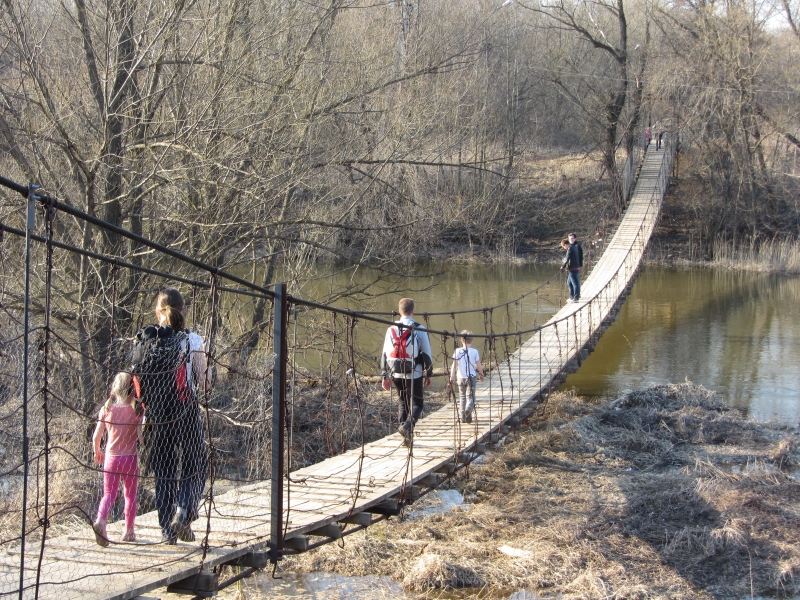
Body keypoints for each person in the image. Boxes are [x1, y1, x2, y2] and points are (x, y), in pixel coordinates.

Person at [132, 288, 211, 544]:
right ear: (183, 311)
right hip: (185, 410)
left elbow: (135, 382)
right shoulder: (192, 340)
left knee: (164, 471)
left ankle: (168, 532)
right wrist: (206, 359)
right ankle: (184, 511)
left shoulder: (145, 339)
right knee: (195, 463)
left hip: (156, 414)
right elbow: (205, 383)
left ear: (158, 312)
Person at [92, 372, 144, 547]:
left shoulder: (107, 409)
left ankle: (101, 520)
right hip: (130, 459)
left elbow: (96, 436)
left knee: (109, 494)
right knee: (130, 495)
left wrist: (97, 451)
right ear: (133, 390)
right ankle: (129, 531)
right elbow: (141, 439)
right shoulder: (136, 411)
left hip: (111, 458)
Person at [381, 298, 433, 446]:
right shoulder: (419, 328)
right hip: (414, 372)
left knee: (403, 402)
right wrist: (429, 374)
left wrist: (385, 375)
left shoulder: (391, 329)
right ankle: (407, 427)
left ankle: (406, 438)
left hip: (396, 372)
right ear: (413, 311)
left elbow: (384, 354)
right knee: (417, 404)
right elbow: (427, 354)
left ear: (399, 311)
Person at [448, 330, 485, 424]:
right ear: (472, 341)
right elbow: (478, 365)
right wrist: (481, 374)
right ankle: (468, 408)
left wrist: (451, 379)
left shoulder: (457, 351)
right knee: (471, 396)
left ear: (461, 340)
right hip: (471, 377)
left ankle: (463, 417)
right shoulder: (474, 351)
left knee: (462, 397)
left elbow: (454, 366)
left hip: (460, 377)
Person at [560, 232, 583, 303]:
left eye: (564, 247)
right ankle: (572, 296)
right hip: (575, 267)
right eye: (570, 239)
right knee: (569, 283)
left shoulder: (570, 248)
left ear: (565, 245)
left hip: (573, 268)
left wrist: (563, 266)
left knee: (575, 284)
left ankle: (576, 298)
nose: (564, 248)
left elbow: (567, 258)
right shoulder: (574, 246)